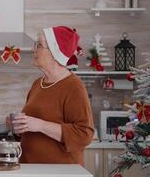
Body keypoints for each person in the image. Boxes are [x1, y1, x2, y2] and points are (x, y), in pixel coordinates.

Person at [12, 26, 94, 166]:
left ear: (55, 53)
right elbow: (32, 129)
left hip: (60, 171)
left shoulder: (74, 86)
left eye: (39, 45)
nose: (33, 50)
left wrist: (41, 125)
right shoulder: (38, 84)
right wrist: (19, 127)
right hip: (30, 168)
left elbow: (84, 134)